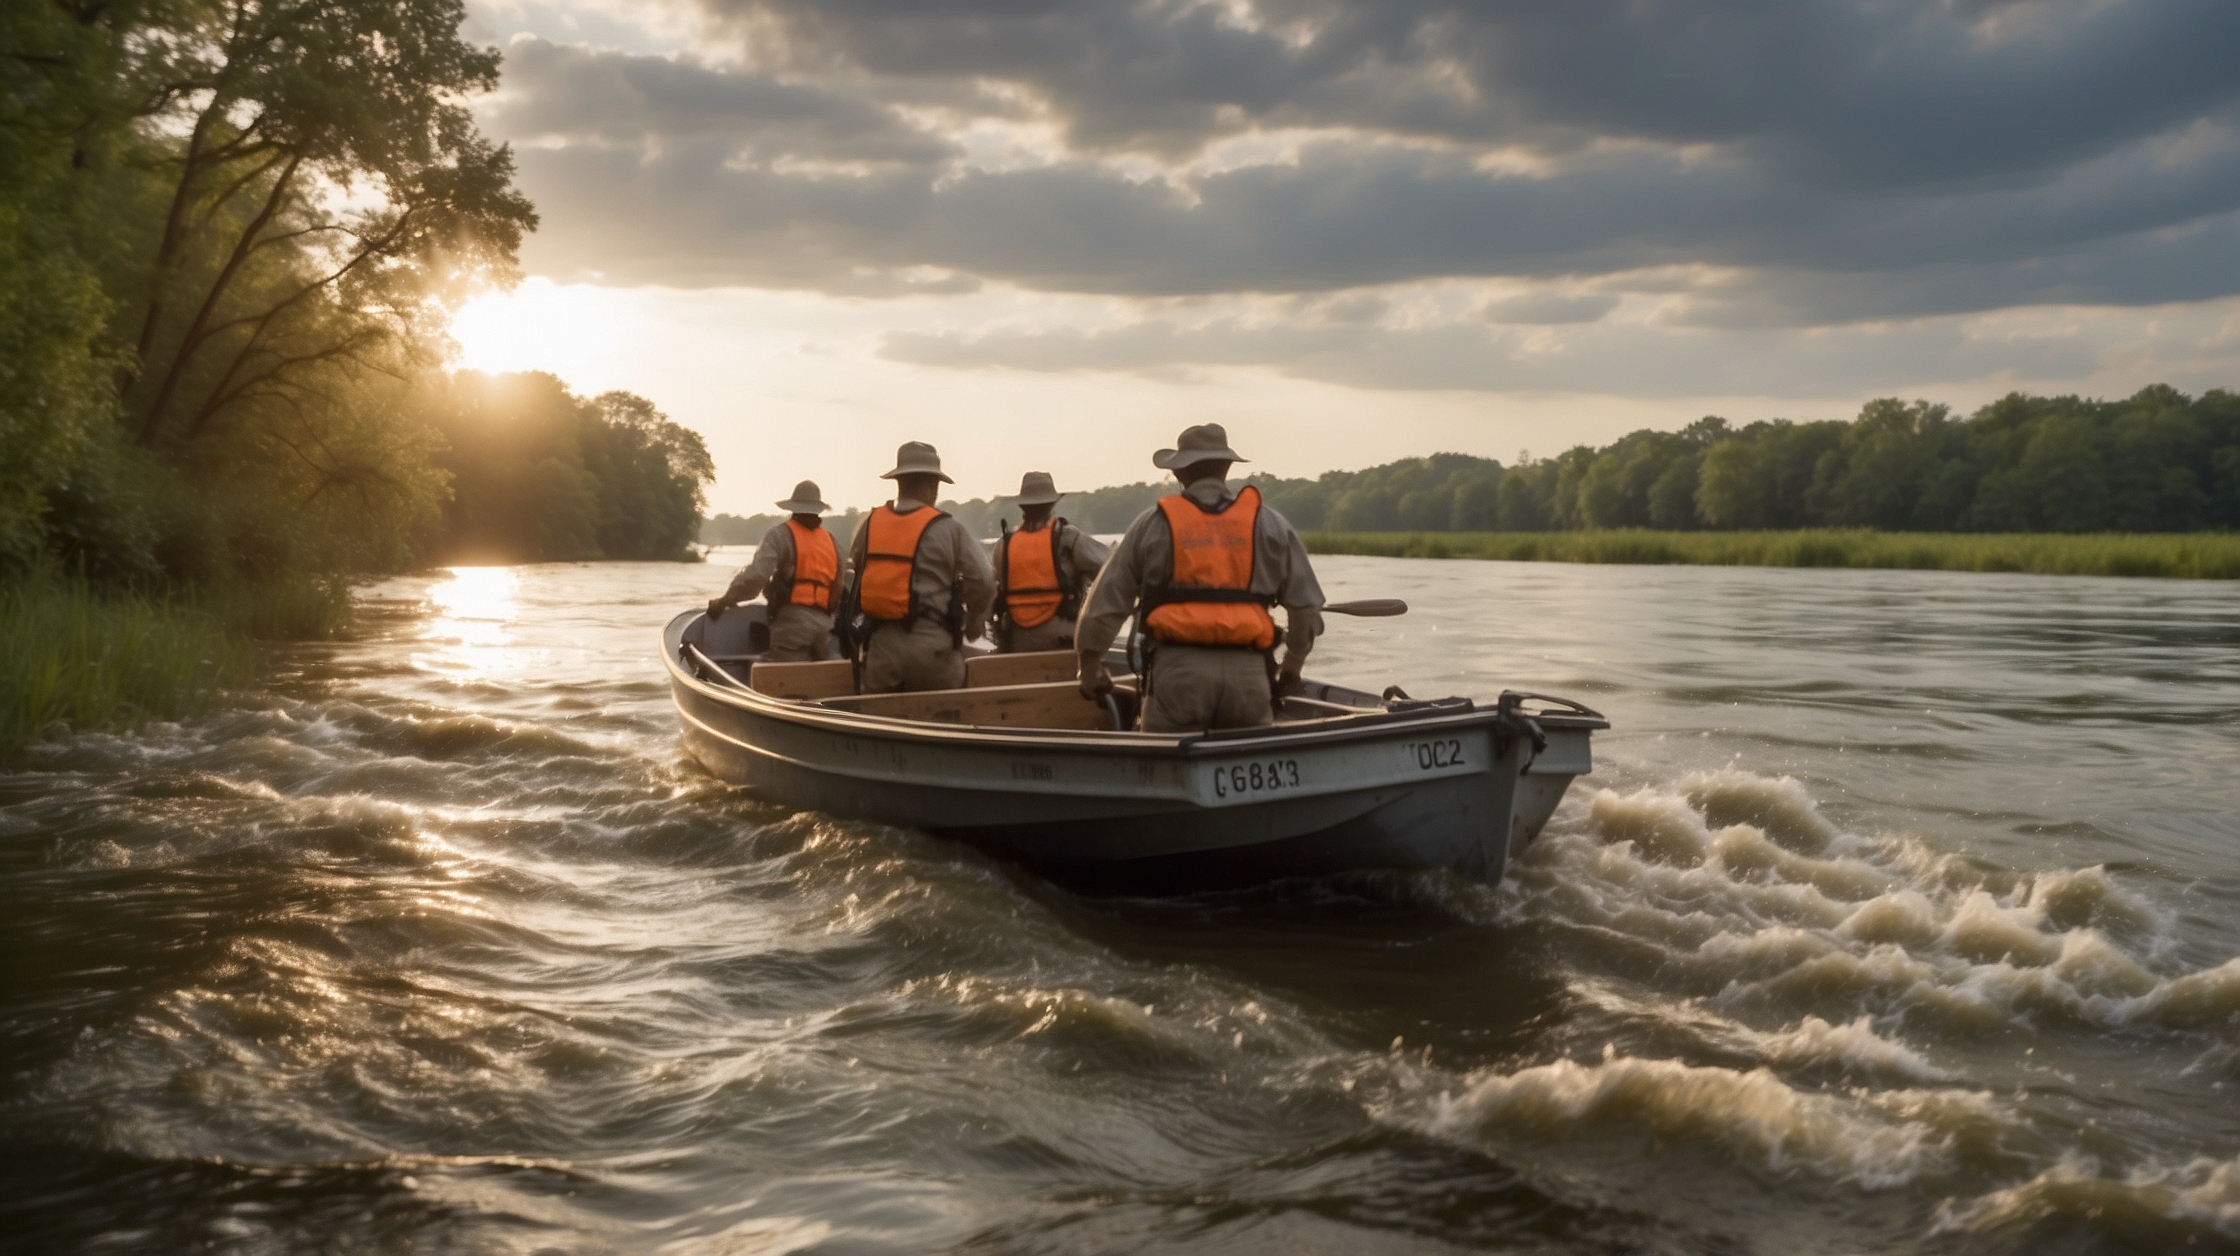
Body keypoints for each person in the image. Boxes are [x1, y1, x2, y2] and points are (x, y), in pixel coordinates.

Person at [1075, 424, 1324, 732]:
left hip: (1179, 674)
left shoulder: (1152, 524)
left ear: (1179, 472)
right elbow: (1306, 607)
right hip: (1248, 676)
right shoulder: (1270, 524)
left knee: (1167, 767)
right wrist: (1292, 664)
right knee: (1243, 767)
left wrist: (1090, 663)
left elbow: (1108, 600)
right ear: (1227, 467)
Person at [843, 442, 995, 692]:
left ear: (898, 481)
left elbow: (855, 574)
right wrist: (975, 621)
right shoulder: (949, 528)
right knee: (949, 715)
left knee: (878, 720)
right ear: (933, 485)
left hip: (883, 650)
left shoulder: (869, 524)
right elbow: (985, 582)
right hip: (934, 650)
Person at [706, 480, 842, 661]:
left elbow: (758, 575)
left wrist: (725, 600)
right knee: (822, 676)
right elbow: (838, 587)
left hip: (793, 624)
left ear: (793, 507)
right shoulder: (831, 541)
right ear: (818, 509)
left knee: (781, 679)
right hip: (825, 626)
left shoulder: (779, 535)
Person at [992, 471, 1109, 654]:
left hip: (1018, 641)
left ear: (1022, 506)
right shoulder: (1069, 537)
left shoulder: (1003, 545)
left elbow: (992, 589)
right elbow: (1111, 569)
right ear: (1052, 504)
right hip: (1064, 637)